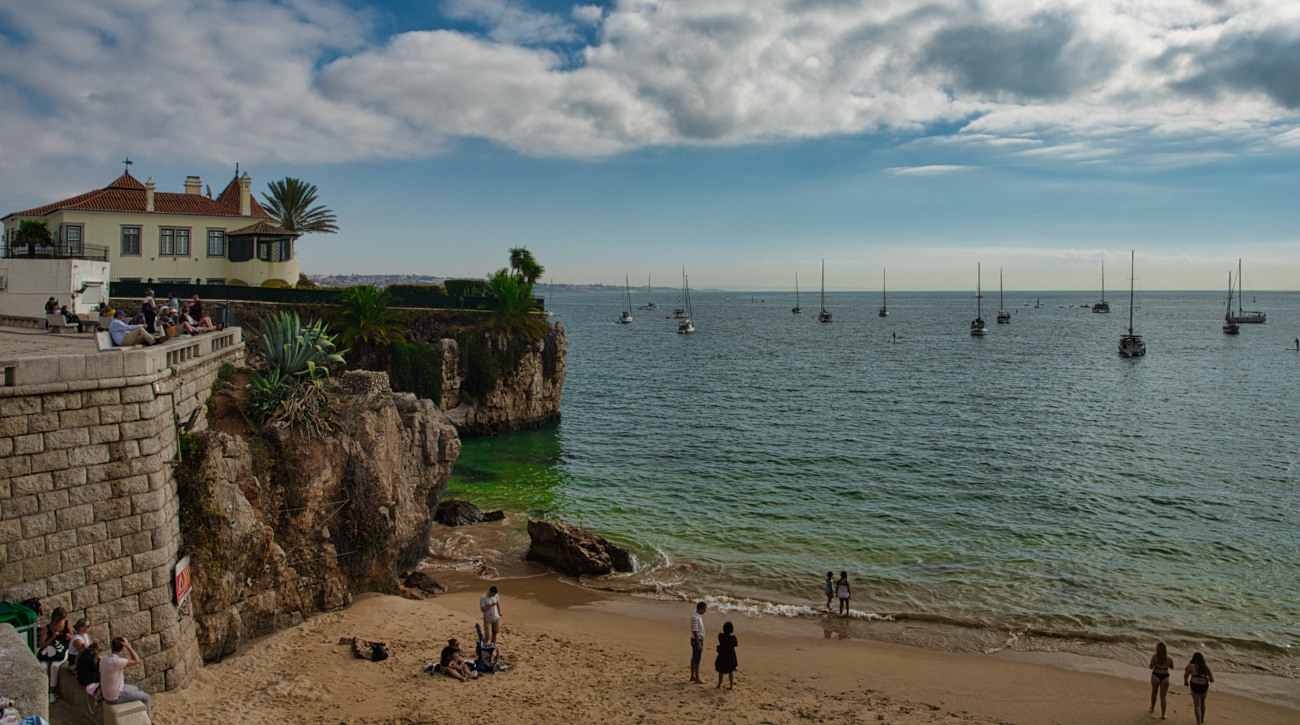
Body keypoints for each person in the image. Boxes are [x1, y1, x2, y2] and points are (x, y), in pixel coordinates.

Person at [99, 637, 151, 718]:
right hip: (115, 697)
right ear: (122, 648)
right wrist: (128, 646)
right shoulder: (116, 662)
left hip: (106, 693)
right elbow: (136, 660)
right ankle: (149, 722)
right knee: (146, 697)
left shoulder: (104, 659)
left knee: (135, 688)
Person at [36, 607, 72, 702]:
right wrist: (52, 638)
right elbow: (42, 645)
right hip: (50, 650)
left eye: (63, 618)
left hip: (62, 650)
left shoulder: (67, 624)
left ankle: (52, 692)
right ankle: (43, 690)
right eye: (60, 618)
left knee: (54, 666)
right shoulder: (47, 628)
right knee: (43, 667)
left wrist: (68, 636)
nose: (61, 620)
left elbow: (72, 639)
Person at [1184, 652, 1214, 725]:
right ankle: (1202, 719)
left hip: (1195, 685)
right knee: (1203, 702)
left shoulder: (1191, 666)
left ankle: (1198, 723)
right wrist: (1206, 677)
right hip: (1204, 686)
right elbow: (1212, 680)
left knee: (1197, 705)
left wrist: (1186, 681)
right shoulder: (1206, 667)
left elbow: (1186, 675)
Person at [1148, 641, 1174, 719]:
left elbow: (1151, 666)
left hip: (1156, 674)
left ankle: (1152, 707)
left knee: (1154, 692)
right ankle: (1163, 714)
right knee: (1163, 697)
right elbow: (1172, 667)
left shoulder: (1155, 657)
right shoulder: (1169, 657)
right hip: (1165, 676)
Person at [715, 621, 738, 690]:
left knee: (721, 671)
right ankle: (731, 685)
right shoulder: (733, 638)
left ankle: (719, 684)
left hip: (722, 655)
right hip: (730, 656)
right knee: (730, 671)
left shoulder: (720, 636)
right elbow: (736, 644)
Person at [689, 601, 707, 684]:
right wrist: (698, 644)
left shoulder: (697, 615)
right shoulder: (696, 618)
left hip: (696, 640)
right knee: (697, 659)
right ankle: (697, 678)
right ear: (700, 609)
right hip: (697, 640)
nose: (705, 611)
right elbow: (695, 631)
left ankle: (692, 676)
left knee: (694, 658)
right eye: (704, 609)